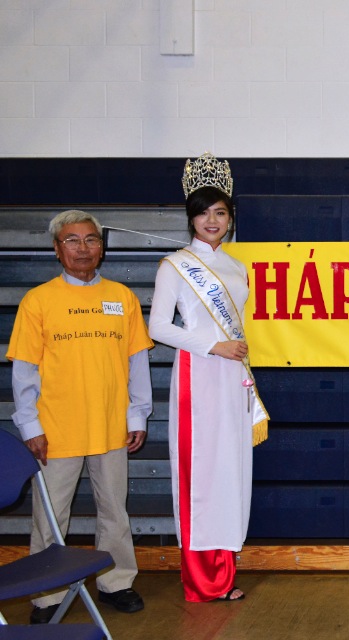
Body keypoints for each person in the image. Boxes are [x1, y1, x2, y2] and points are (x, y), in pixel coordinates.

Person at [6, 209, 153, 624]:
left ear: (102, 248)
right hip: (55, 431)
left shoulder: (122, 297)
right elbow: (24, 374)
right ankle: (46, 595)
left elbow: (136, 362)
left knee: (114, 513)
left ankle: (117, 583)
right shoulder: (38, 301)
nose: (83, 248)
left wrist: (137, 416)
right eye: (72, 241)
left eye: (91, 239)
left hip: (111, 428)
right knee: (50, 520)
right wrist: (30, 426)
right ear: (57, 250)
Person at [149, 152, 268, 603]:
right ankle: (201, 582)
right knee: (201, 474)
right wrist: (214, 346)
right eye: (203, 213)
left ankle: (222, 575)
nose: (211, 220)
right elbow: (157, 327)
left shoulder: (237, 267)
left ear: (231, 217)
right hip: (198, 378)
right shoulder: (175, 266)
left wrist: (231, 352)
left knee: (230, 473)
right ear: (191, 219)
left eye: (220, 212)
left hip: (232, 381)